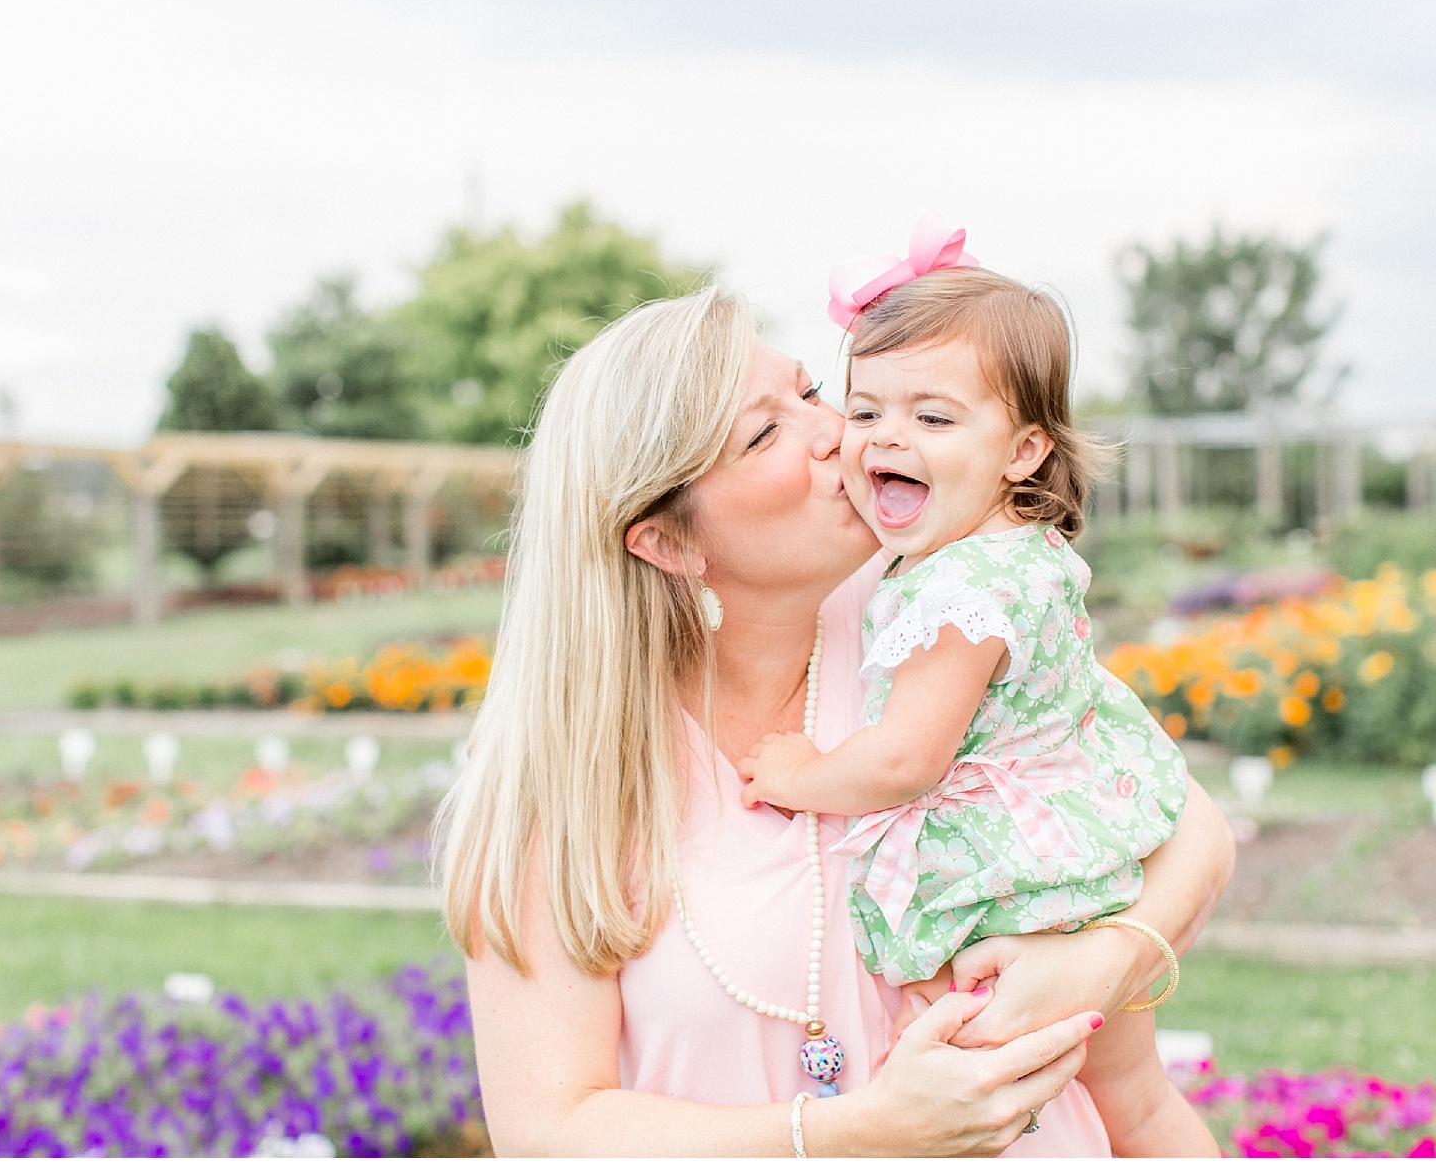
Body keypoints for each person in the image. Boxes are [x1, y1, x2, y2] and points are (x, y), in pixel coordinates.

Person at [437, 285, 1237, 1155]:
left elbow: (1191, 825)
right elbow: (548, 1131)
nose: (839, 433)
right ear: (668, 541)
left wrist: (1099, 966)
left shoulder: (932, 619)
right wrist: (865, 1129)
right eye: (765, 431)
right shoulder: (568, 781)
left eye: (813, 392)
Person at [736, 219, 1217, 1155]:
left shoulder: (958, 589)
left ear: (1025, 451)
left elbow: (909, 757)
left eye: (933, 417)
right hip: (1081, 854)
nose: (880, 439)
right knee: (1138, 1104)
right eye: (866, 410)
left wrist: (798, 772)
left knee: (997, 1082)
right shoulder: (1002, 552)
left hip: (1020, 886)